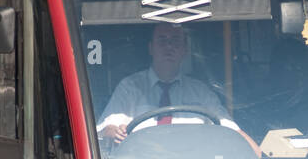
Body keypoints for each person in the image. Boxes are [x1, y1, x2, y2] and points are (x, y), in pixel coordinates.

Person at [98, 22, 253, 147]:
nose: (169, 46)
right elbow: (106, 129)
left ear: (185, 50)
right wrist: (114, 133)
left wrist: (256, 152)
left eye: (175, 41)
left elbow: (230, 130)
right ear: (151, 48)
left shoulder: (201, 92)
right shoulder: (129, 88)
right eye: (162, 40)